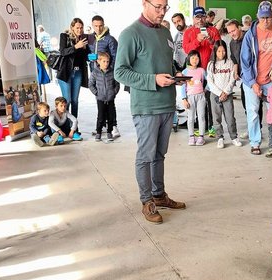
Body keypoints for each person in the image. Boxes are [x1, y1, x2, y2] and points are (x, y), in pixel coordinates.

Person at [114, 0, 186, 224]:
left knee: (159, 155)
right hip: (146, 106)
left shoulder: (165, 32)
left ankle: (159, 194)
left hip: (167, 103)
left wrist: (175, 75)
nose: (162, 11)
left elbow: (165, 63)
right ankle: (147, 201)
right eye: (158, 7)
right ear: (144, 3)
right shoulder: (130, 34)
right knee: (145, 156)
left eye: (166, 7)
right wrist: (153, 79)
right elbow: (120, 72)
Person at [240, 1, 272, 155]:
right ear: (257, 16)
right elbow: (245, 62)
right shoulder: (251, 34)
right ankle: (255, 142)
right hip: (252, 80)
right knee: (253, 112)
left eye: (268, 17)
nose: (265, 21)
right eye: (262, 18)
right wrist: (253, 82)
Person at [183, 6, 220, 137]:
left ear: (206, 17)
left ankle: (212, 127)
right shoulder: (188, 32)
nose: (200, 20)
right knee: (197, 99)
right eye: (197, 17)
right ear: (193, 18)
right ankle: (201, 126)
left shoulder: (214, 31)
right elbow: (187, 50)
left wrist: (210, 41)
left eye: (202, 17)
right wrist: (197, 40)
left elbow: (219, 50)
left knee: (211, 100)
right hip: (194, 73)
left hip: (211, 72)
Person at [207, 40, 241, 149]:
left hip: (228, 95)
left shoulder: (230, 63)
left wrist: (226, 92)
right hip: (215, 95)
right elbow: (210, 81)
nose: (221, 54)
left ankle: (234, 137)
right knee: (216, 118)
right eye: (219, 51)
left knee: (230, 117)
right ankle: (220, 137)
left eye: (223, 51)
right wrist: (219, 93)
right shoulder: (211, 64)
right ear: (215, 51)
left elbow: (232, 79)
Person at [57, 18, 89, 122]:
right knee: (67, 100)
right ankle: (65, 124)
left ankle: (74, 126)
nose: (79, 30)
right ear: (72, 28)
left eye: (81, 28)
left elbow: (85, 57)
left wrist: (87, 51)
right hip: (65, 72)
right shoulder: (64, 36)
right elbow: (62, 52)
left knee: (75, 100)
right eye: (77, 28)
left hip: (78, 72)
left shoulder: (84, 39)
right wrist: (76, 46)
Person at [89, 52, 120, 142]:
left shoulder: (112, 72)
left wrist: (114, 92)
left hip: (110, 98)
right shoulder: (95, 72)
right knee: (101, 116)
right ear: (99, 61)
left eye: (107, 61)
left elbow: (117, 84)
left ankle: (109, 132)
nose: (106, 63)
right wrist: (96, 93)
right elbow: (91, 84)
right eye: (104, 61)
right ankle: (98, 132)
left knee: (111, 116)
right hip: (100, 98)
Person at [181, 51, 207, 146]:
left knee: (201, 117)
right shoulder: (185, 72)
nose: (195, 60)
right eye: (192, 58)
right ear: (188, 59)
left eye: (197, 58)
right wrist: (184, 99)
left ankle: (201, 137)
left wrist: (205, 90)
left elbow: (208, 80)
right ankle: (191, 137)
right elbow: (183, 86)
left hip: (200, 96)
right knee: (191, 118)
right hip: (190, 97)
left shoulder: (201, 70)